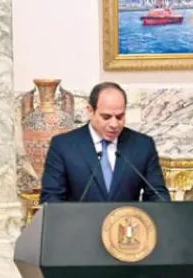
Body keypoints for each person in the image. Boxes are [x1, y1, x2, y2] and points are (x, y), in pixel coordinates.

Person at [39, 82, 170, 203]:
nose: (114, 124)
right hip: (80, 221)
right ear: (90, 111)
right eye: (106, 117)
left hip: (126, 220)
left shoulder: (142, 146)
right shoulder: (63, 146)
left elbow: (157, 195)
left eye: (119, 117)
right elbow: (51, 199)